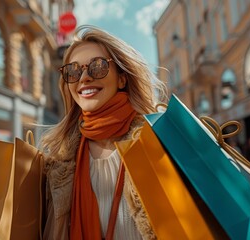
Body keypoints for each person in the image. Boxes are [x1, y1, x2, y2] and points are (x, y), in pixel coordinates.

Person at [39, 25, 166, 239]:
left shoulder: (159, 141)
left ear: (122, 78)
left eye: (97, 67)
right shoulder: (58, 160)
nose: (84, 77)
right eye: (73, 71)